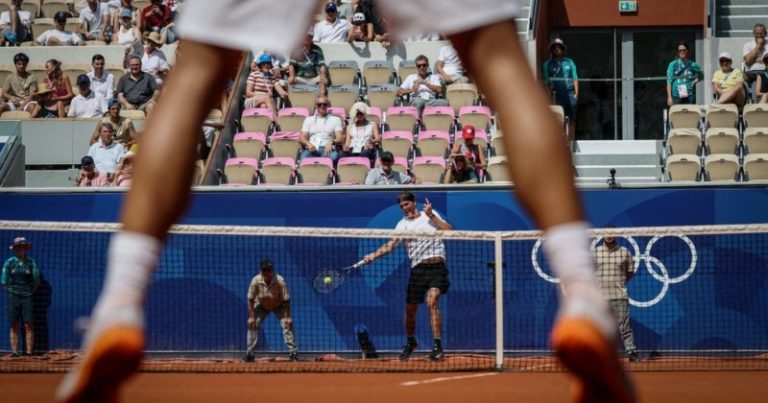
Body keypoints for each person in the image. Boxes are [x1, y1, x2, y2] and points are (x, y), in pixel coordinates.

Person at [57, 1, 635, 402]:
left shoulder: (422, 217)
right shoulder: (410, 221)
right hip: (418, 265)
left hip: (428, 265)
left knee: (196, 72)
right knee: (503, 65)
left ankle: (121, 304)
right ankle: (582, 296)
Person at [363, 191, 452, 361]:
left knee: (432, 301)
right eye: (402, 206)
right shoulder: (401, 225)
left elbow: (449, 231)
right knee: (410, 311)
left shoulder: (429, 216)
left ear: (414, 202)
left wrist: (432, 215)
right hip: (417, 270)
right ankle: (411, 341)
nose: (405, 208)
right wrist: (372, 256)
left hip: (437, 267)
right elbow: (390, 246)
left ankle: (437, 345)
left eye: (407, 204)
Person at [594, 232, 639, 362]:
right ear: (602, 236)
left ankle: (631, 352)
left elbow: (629, 273)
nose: (609, 236)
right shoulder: (595, 253)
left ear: (616, 236)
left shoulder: (624, 252)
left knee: (624, 326)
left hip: (619, 296)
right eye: (606, 234)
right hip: (600, 298)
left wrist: (620, 284)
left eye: (611, 233)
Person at [242, 259, 298, 363]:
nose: (267, 272)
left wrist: (288, 317)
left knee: (287, 325)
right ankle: (249, 354)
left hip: (279, 305)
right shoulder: (255, 280)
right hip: (261, 305)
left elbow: (286, 299)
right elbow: (250, 299)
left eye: (269, 270)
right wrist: (251, 317)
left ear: (272, 270)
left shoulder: (280, 280)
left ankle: (293, 353)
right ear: (261, 271)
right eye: (265, 270)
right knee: (253, 325)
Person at [2, 237, 40, 357]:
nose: (20, 249)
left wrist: (30, 291)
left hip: (27, 296)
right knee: (14, 324)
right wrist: (11, 291)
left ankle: (29, 352)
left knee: (28, 324)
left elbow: (36, 280)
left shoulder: (31, 262)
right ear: (15, 248)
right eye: (18, 247)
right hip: (13, 295)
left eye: (22, 246)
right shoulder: (9, 262)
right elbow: (4, 280)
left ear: (25, 248)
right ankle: (14, 352)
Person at [542, 38, 578, 140]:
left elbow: (575, 78)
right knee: (559, 119)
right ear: (551, 50)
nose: (557, 49)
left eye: (559, 47)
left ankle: (571, 142)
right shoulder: (547, 64)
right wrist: (549, 95)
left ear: (563, 49)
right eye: (554, 47)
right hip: (556, 95)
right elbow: (546, 82)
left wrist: (576, 94)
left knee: (572, 119)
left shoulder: (569, 62)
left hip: (570, 94)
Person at [299, 95, 343, 162]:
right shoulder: (309, 119)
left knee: (333, 156)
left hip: (327, 148)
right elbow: (301, 138)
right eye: (319, 104)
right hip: (312, 147)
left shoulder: (335, 119)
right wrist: (308, 144)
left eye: (324, 104)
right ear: (316, 106)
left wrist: (331, 142)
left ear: (327, 105)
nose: (322, 106)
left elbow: (340, 138)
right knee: (304, 157)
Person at [1, 52, 39, 117]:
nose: (21, 66)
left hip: (27, 102)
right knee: (1, 107)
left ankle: (31, 126)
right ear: (15, 64)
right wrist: (11, 97)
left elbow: (31, 95)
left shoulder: (32, 77)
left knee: (33, 107)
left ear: (26, 64)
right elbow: (3, 93)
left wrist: (21, 106)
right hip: (14, 102)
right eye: (19, 64)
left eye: (24, 64)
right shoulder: (10, 77)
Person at [666, 41, 703, 107]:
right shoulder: (672, 64)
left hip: (689, 96)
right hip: (676, 96)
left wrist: (694, 82)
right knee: (677, 116)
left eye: (684, 50)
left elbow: (701, 76)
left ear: (687, 51)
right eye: (680, 50)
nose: (682, 52)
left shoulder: (693, 64)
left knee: (689, 116)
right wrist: (669, 97)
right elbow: (669, 81)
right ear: (677, 52)